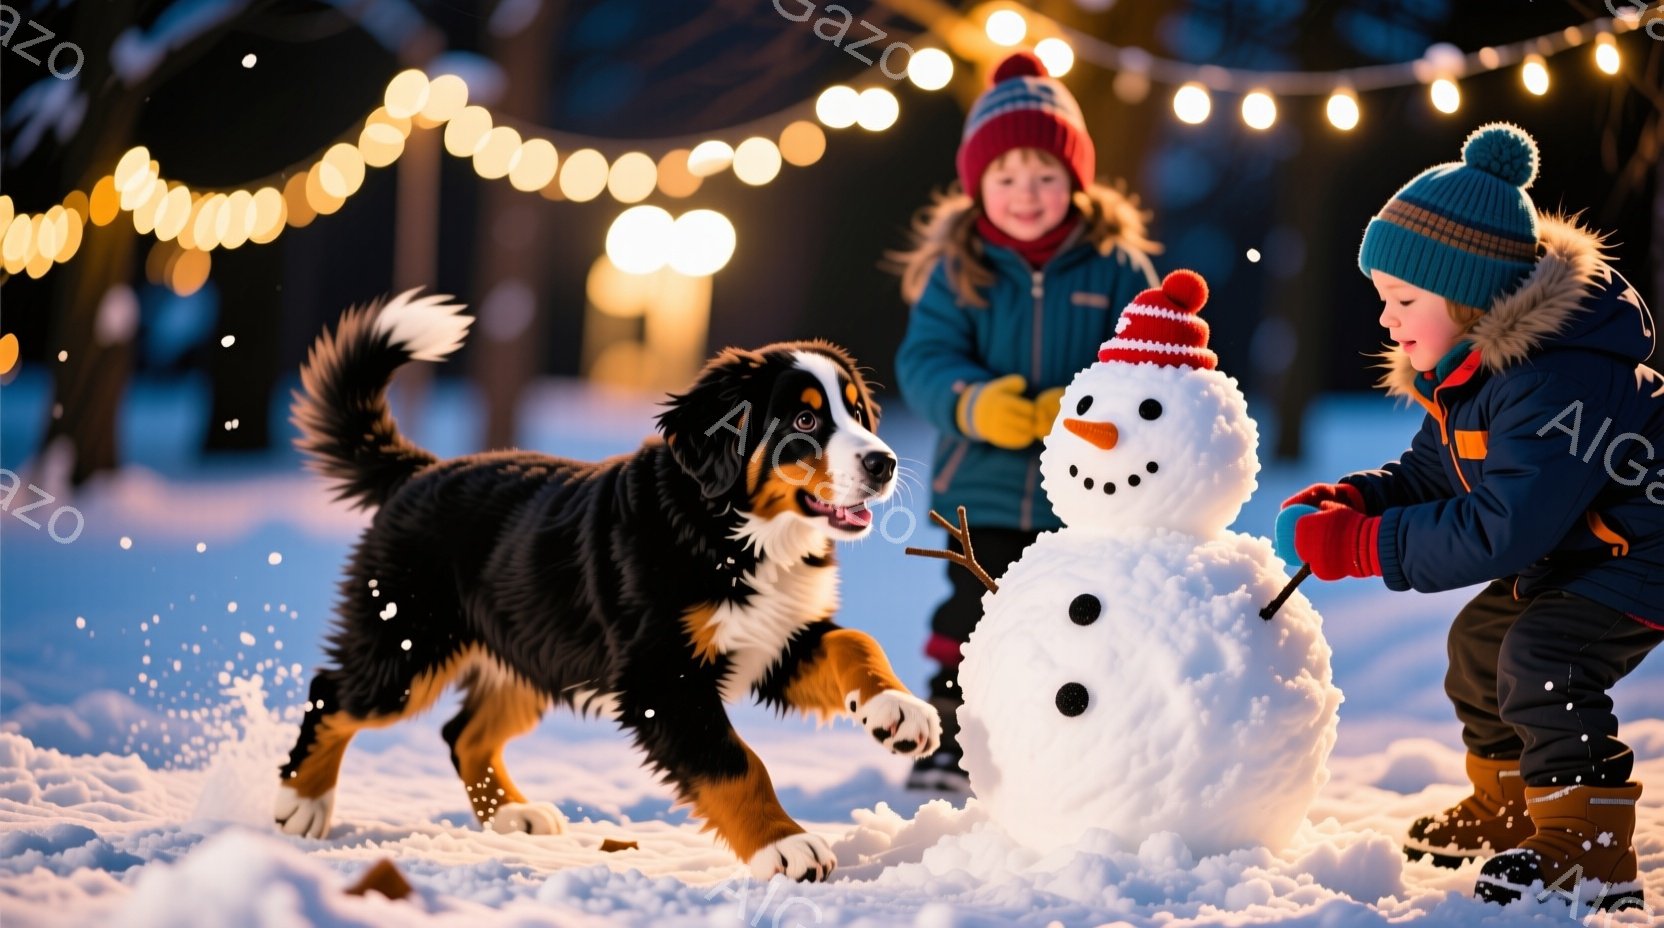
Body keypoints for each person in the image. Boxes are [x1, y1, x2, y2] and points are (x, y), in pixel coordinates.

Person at [1274, 123, 1662, 910]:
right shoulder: (1472, 374)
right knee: (1479, 644)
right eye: (1382, 299)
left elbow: (1504, 528)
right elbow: (1430, 473)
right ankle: (1516, 805)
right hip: (1588, 548)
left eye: (1404, 299)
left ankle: (1588, 845)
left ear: (1473, 295)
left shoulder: (1555, 381)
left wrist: (1360, 545)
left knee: (1544, 656)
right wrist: (1359, 500)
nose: (1386, 320)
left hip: (1645, 549)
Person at [893, 50, 1159, 791]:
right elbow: (926, 360)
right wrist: (976, 402)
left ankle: (1065, 739)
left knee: (1077, 619)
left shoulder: (1114, 265)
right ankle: (952, 730)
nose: (1027, 193)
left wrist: (1091, 413)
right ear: (979, 185)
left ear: (1076, 177)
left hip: (1087, 493)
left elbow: (1146, 361)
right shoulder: (960, 266)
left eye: (1045, 175)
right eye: (1006, 178)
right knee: (975, 611)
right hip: (977, 483)